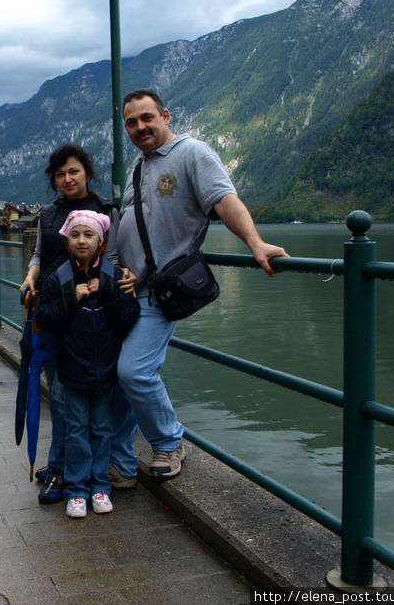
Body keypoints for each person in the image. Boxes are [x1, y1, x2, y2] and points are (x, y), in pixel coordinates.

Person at [112, 89, 289, 482]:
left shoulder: (192, 153)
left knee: (133, 372)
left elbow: (223, 199)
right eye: (131, 122)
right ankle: (120, 460)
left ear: (165, 116)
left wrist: (255, 243)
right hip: (126, 290)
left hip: (160, 291)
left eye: (146, 118)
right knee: (116, 373)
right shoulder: (139, 167)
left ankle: (169, 441)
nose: (139, 127)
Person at [18, 143, 121, 505]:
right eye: (60, 174)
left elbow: (114, 258)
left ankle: (68, 469)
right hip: (51, 309)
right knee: (59, 396)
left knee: (71, 399)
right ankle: (63, 467)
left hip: (91, 317)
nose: (67, 179)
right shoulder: (48, 213)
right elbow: (40, 253)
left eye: (73, 171)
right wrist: (31, 275)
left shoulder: (106, 210)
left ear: (87, 173)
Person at [35, 210, 140, 518]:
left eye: (89, 235)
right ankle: (77, 490)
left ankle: (99, 487)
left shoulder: (113, 275)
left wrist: (108, 292)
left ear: (101, 241)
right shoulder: (61, 276)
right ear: (68, 240)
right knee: (77, 429)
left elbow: (130, 316)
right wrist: (72, 297)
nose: (82, 240)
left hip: (106, 371)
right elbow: (44, 318)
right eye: (76, 234)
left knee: (103, 428)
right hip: (73, 371)